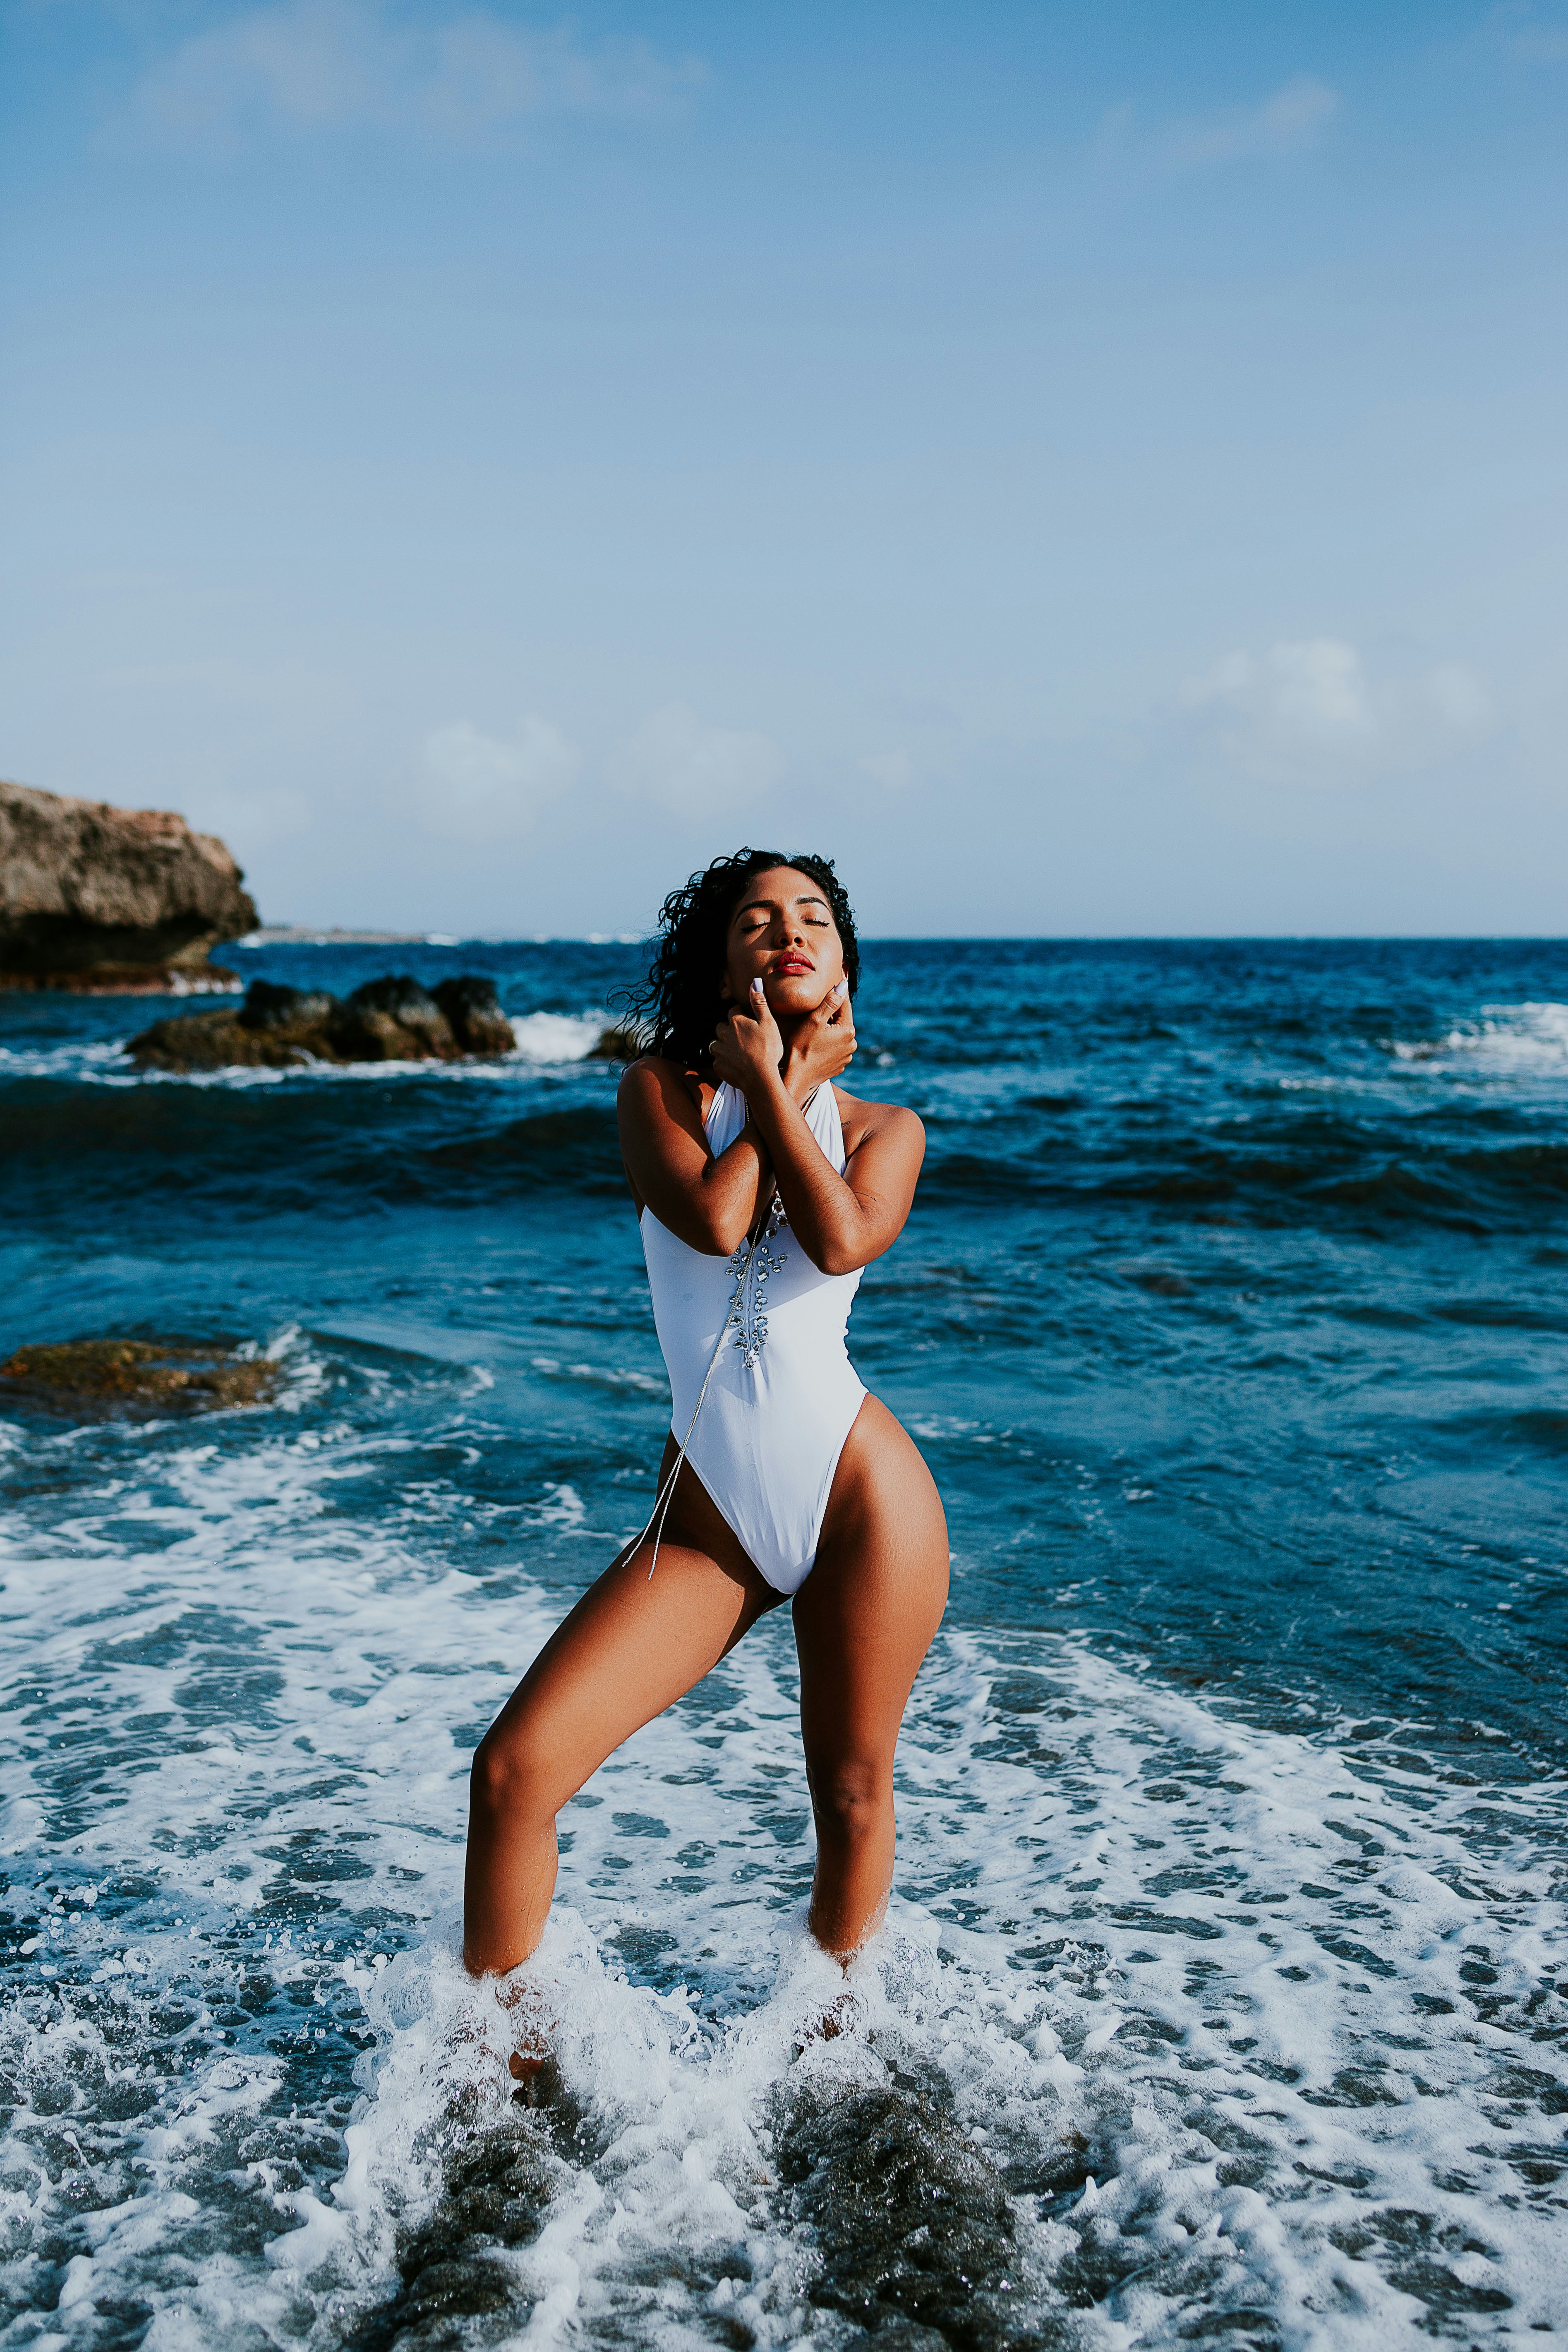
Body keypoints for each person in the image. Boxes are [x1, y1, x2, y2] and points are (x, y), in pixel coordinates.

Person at [462, 848, 949, 1982]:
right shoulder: (656, 1093)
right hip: (712, 1518)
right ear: (718, 959)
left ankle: (828, 2049)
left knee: (853, 1791)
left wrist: (795, 1087)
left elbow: (834, 1238)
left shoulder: (887, 1129)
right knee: (514, 1774)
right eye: (758, 919)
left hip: (864, 1500)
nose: (790, 930)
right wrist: (776, 1086)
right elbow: (716, 1224)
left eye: (815, 917)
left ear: (843, 961)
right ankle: (495, 2075)